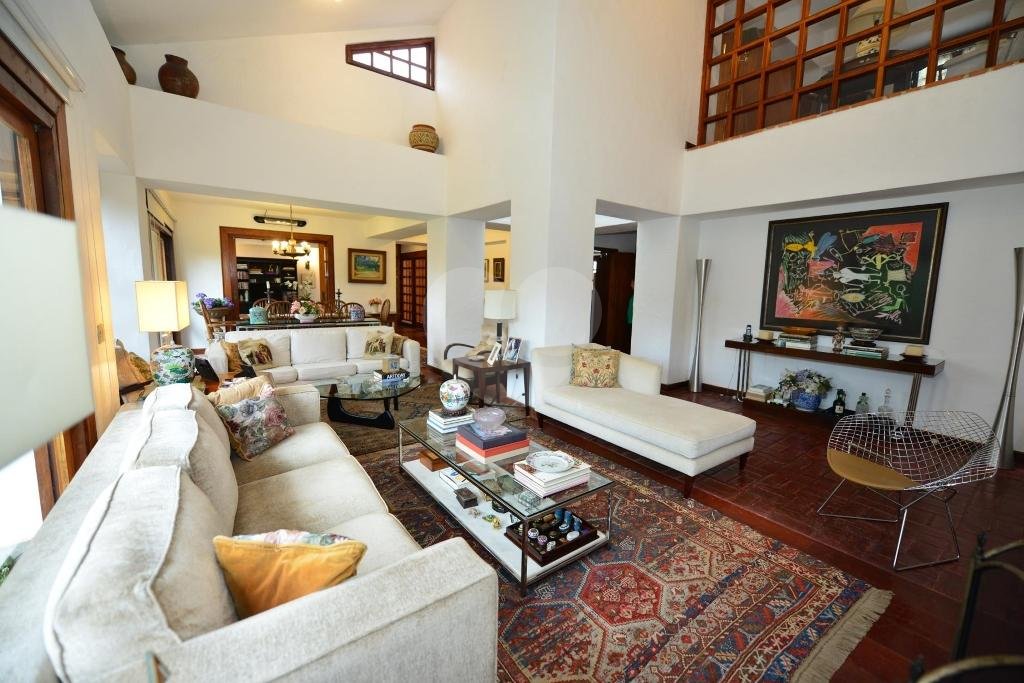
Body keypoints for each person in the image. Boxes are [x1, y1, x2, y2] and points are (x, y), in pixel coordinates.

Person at [624, 280, 634, 353]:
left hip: (633, 323)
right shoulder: (633, 296)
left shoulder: (637, 297)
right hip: (629, 322)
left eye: (632, 283)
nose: (631, 285)